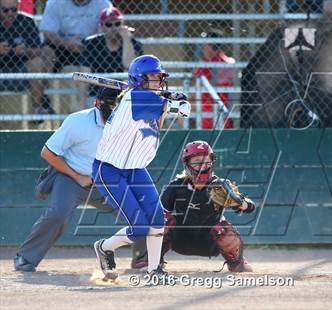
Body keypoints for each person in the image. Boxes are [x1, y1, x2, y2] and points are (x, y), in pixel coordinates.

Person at [91, 55, 191, 281]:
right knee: (139, 228)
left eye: (159, 77)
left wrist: (168, 101)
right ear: (139, 79)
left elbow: (162, 119)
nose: (157, 81)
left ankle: (154, 271)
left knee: (157, 221)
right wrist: (177, 100)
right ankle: (105, 247)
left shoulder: (142, 97)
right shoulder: (135, 97)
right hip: (109, 170)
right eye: (152, 77)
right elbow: (183, 109)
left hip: (134, 167)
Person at [14, 87, 120, 272]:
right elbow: (47, 153)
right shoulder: (78, 121)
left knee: (138, 210)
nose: (113, 109)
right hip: (70, 177)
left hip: (105, 181)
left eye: (117, 105)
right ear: (97, 103)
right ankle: (26, 257)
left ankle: (145, 258)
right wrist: (78, 177)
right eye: (110, 105)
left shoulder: (126, 123)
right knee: (58, 213)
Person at [131, 140, 256, 272]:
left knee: (223, 228)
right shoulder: (176, 187)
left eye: (207, 162)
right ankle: (152, 259)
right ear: (187, 164)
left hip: (209, 242)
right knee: (161, 219)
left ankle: (235, 261)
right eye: (197, 162)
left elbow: (250, 208)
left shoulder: (220, 186)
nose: (203, 166)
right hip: (180, 239)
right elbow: (157, 216)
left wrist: (240, 202)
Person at [79, 6, 143, 108]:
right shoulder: (91, 44)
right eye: (109, 24)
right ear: (101, 27)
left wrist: (126, 38)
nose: (114, 28)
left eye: (117, 24)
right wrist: (82, 102)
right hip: (97, 94)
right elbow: (84, 76)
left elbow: (129, 65)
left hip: (124, 94)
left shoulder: (133, 44)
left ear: (123, 25)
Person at [0, 0, 55, 115]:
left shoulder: (26, 21)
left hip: (23, 70)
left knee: (38, 61)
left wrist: (26, 51)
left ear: (18, 8)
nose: (9, 13)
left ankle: (36, 108)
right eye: (5, 10)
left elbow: (39, 50)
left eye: (14, 10)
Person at [39, 0, 111, 73]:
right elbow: (48, 33)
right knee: (46, 51)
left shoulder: (103, 3)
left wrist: (92, 40)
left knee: (109, 46)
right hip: (62, 45)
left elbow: (109, 28)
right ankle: (48, 83)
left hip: (93, 46)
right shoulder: (54, 3)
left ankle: (106, 81)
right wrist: (67, 44)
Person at [192, 29, 235, 129]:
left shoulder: (225, 64)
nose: (202, 48)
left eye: (206, 44)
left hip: (215, 118)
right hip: (208, 117)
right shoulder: (228, 63)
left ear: (214, 46)